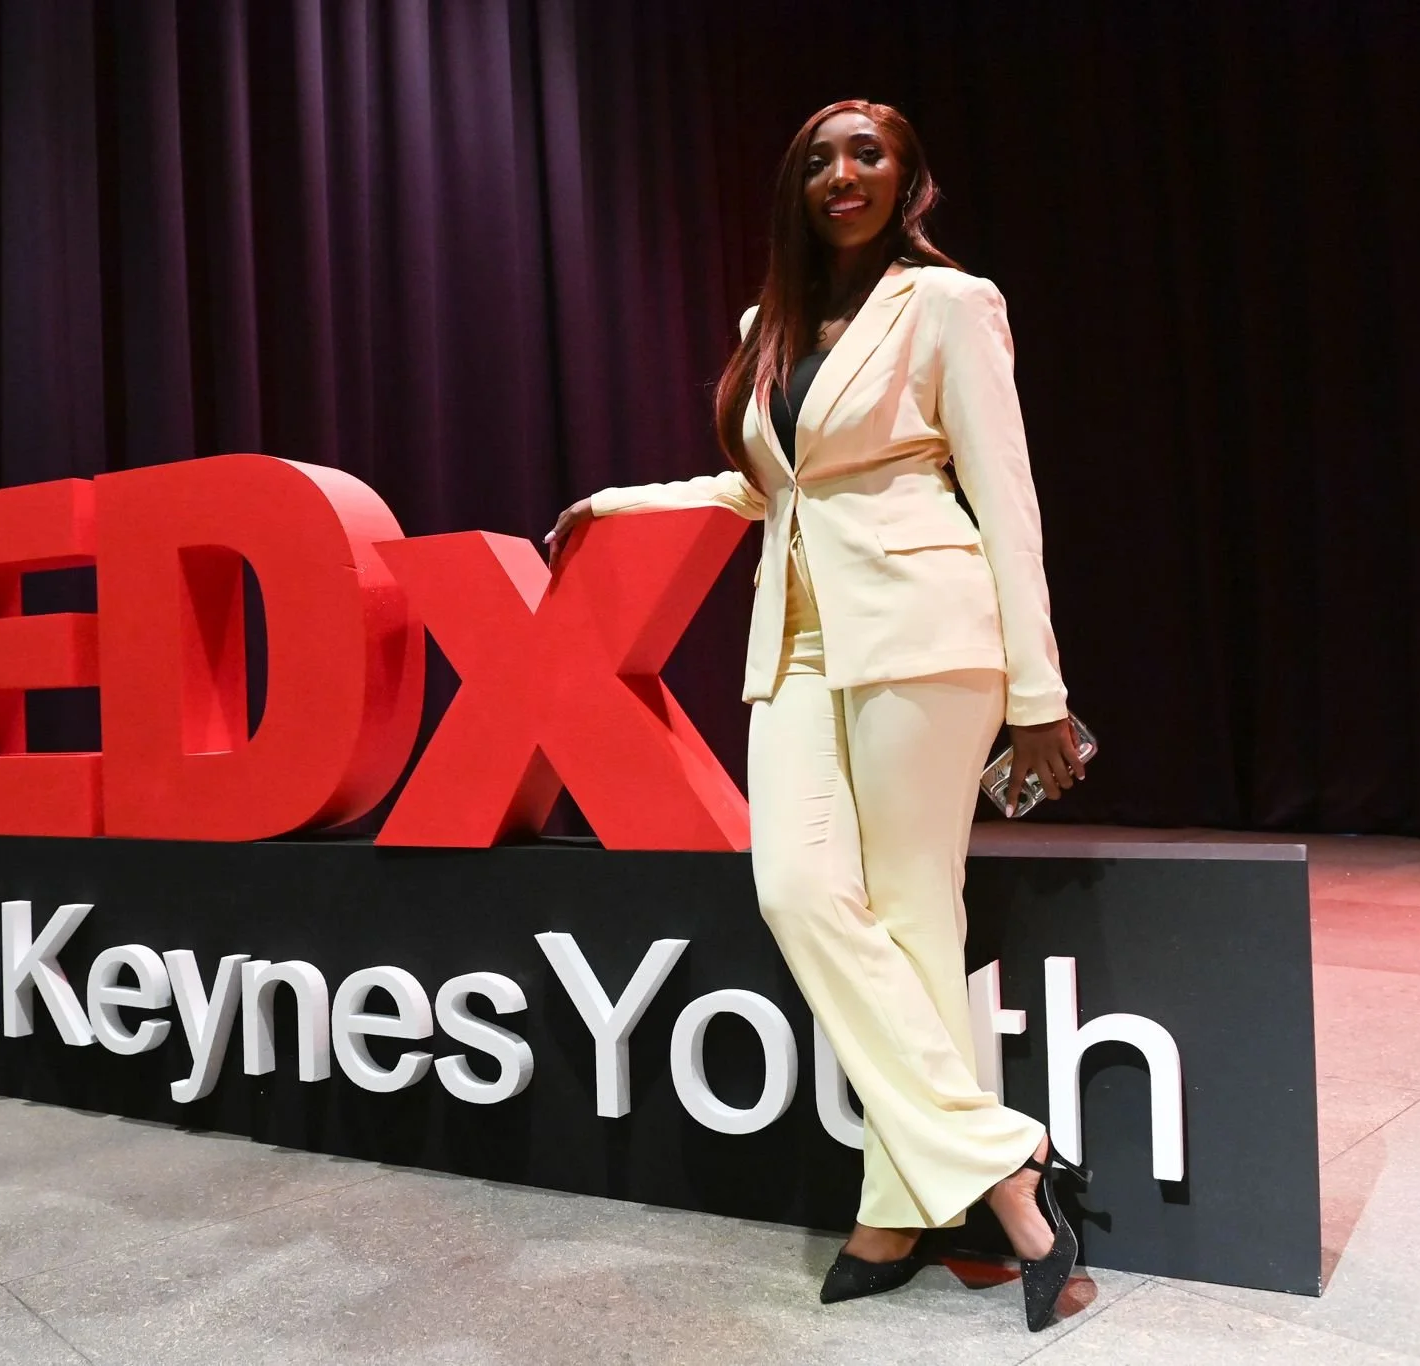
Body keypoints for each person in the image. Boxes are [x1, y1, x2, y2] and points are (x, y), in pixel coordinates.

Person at [545, 99, 1090, 1333]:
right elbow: (763, 483)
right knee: (794, 888)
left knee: (909, 912)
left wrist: (1036, 693)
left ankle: (897, 1204)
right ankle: (1009, 1167)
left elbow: (1005, 499)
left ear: (906, 180)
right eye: (815, 158)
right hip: (788, 637)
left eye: (866, 153)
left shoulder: (950, 305)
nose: (839, 173)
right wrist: (619, 502)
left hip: (922, 628)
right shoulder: (768, 325)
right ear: (792, 188)